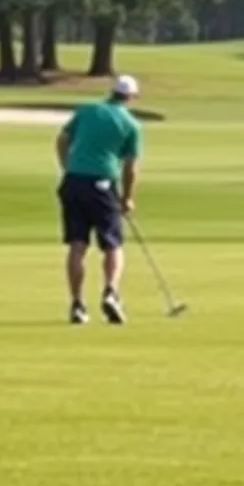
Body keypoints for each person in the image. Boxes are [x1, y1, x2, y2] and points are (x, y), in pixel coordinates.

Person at [55, 75, 142, 325]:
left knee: (77, 245)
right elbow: (130, 167)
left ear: (111, 91)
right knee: (113, 245)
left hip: (73, 182)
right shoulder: (131, 124)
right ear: (131, 97)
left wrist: (67, 166)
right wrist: (127, 198)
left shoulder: (87, 109)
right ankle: (111, 293)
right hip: (103, 185)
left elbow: (62, 140)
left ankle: (77, 305)